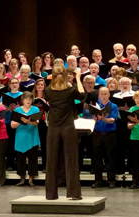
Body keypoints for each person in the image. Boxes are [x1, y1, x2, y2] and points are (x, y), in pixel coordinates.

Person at [44, 66, 85, 200]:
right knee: (71, 159)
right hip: (68, 126)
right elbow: (82, 95)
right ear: (66, 75)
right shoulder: (70, 90)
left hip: (53, 127)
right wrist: (78, 78)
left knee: (51, 160)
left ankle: (51, 194)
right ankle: (74, 193)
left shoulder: (48, 91)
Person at [90, 87, 118, 188]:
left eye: (105, 94)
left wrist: (103, 119)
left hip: (109, 135)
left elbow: (112, 120)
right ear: (99, 95)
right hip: (97, 134)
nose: (103, 96)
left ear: (109, 94)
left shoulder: (113, 106)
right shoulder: (97, 106)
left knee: (110, 157)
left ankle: (111, 180)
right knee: (97, 158)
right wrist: (95, 119)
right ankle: (98, 180)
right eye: (101, 94)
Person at [11, 92, 40, 187]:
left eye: (30, 99)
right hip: (21, 137)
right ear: (22, 100)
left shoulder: (35, 109)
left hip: (32, 136)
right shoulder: (17, 110)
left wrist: (28, 121)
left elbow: (36, 123)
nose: (28, 101)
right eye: (26, 99)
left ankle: (31, 179)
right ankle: (22, 178)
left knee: (32, 158)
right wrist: (21, 121)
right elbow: (12, 125)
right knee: (20, 158)